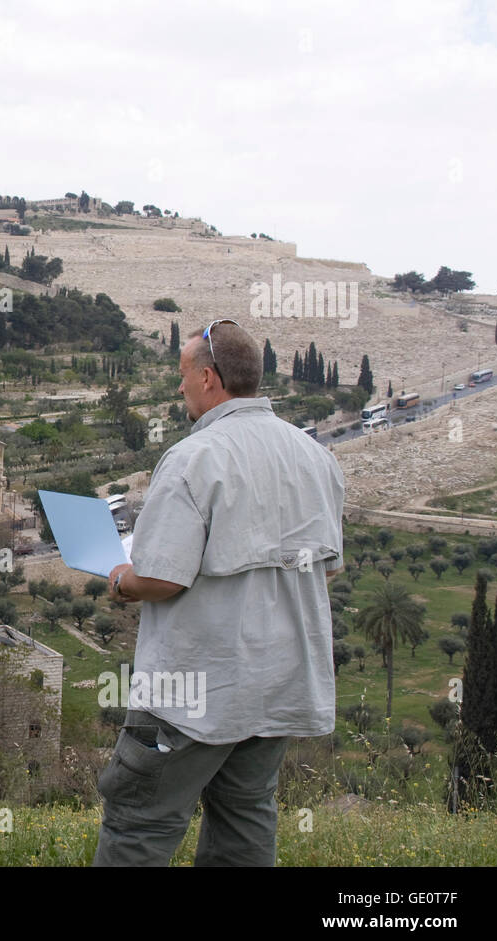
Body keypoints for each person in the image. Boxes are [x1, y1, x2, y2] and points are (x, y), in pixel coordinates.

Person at [95, 320, 345, 867]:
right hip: (277, 684)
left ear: (208, 378)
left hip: (194, 691)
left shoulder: (194, 458)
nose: (179, 387)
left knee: (139, 822)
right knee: (245, 817)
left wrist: (119, 580)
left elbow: (161, 579)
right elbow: (322, 569)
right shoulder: (314, 456)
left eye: (183, 375)